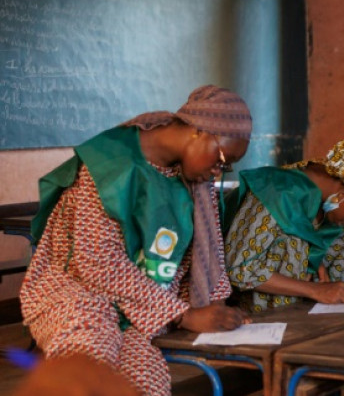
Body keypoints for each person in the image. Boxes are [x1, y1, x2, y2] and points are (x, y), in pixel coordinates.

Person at [20, 85, 255, 396]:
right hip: (75, 297)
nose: (218, 172)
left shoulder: (196, 181)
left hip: (139, 312)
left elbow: (208, 254)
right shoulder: (110, 163)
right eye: (223, 160)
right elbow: (97, 263)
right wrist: (184, 314)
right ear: (199, 132)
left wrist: (219, 311)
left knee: (148, 381)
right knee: (90, 363)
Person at [223, 134, 344, 313]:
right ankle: (284, 320)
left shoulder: (313, 192)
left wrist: (315, 258)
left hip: (288, 276)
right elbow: (239, 269)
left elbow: (307, 231)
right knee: (294, 244)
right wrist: (316, 290)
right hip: (237, 290)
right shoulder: (277, 193)